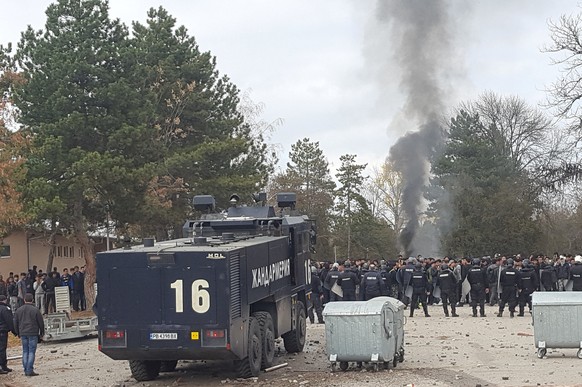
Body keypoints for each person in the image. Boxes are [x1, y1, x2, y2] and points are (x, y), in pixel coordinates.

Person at [13, 293, 44, 377]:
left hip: (23, 332)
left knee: (25, 351)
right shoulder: (35, 310)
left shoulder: (19, 310)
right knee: (31, 352)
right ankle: (29, 369)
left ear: (24, 300)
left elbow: (15, 322)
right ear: (32, 300)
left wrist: (17, 333)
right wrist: (42, 332)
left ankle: (26, 369)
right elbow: (40, 322)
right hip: (33, 332)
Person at [0, 295, 16, 374]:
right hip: (2, 331)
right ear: (5, 300)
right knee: (2, 349)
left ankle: (3, 366)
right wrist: (14, 331)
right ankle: (2, 366)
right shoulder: (5, 309)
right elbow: (9, 321)